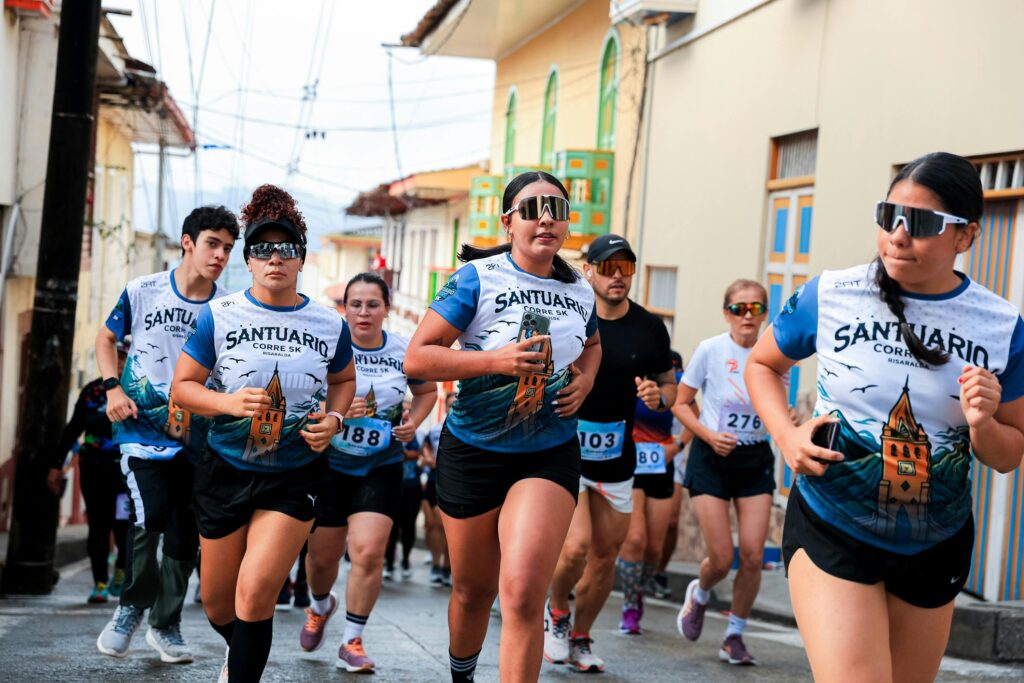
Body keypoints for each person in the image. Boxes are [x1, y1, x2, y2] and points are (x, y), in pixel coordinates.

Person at [746, 151, 1024, 683]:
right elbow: (762, 365)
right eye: (888, 215)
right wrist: (787, 435)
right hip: (832, 522)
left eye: (919, 222)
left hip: (936, 540)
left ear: (965, 236)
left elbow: (1009, 455)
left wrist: (984, 423)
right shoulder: (832, 294)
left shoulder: (1001, 327)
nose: (897, 235)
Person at [404, 171, 601, 683]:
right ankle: (462, 674)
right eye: (533, 209)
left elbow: (592, 345)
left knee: (522, 593)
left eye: (558, 210)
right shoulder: (477, 278)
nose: (546, 219)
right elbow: (418, 358)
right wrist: (495, 361)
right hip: (473, 449)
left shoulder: (579, 288)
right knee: (474, 591)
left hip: (548, 451)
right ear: (508, 222)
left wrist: (585, 381)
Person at [172, 184, 356, 683]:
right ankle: (240, 653)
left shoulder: (328, 323)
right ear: (248, 260)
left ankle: (242, 671)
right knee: (219, 603)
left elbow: (343, 381)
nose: (276, 258)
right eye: (263, 249)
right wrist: (228, 403)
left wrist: (334, 420)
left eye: (287, 248)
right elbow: (183, 388)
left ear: (302, 259)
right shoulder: (219, 315)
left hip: (295, 473)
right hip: (224, 470)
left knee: (255, 594)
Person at [96, 205, 238, 663]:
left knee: (184, 535)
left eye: (228, 248)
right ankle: (131, 607)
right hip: (141, 429)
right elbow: (106, 338)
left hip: (200, 437)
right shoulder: (143, 291)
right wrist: (113, 387)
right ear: (187, 242)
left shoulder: (227, 309)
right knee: (150, 513)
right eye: (212, 244)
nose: (220, 255)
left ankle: (165, 624)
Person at [545, 233, 676, 673]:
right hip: (566, 450)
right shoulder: (569, 314)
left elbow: (669, 385)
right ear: (588, 271)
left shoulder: (649, 327)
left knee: (604, 558)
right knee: (576, 547)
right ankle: (556, 612)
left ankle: (581, 637)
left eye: (626, 267)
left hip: (618, 458)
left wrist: (660, 396)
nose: (618, 276)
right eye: (607, 267)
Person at [300, 272, 437, 673]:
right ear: (344, 309)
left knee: (368, 551)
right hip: (329, 465)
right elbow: (301, 399)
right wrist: (336, 410)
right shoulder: (326, 346)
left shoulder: (403, 349)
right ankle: (320, 605)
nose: (363, 312)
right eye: (355, 304)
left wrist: (414, 423)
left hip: (381, 464)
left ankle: (352, 640)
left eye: (372, 304)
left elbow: (427, 391)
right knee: (321, 559)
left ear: (386, 309)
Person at [673, 279, 780, 665]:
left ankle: (734, 635)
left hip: (754, 458)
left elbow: (775, 407)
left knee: (751, 555)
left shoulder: (777, 355)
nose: (747, 315)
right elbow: (680, 403)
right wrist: (708, 435)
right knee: (721, 559)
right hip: (711, 456)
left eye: (755, 308)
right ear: (726, 313)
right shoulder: (710, 349)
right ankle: (700, 593)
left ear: (764, 313)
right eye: (739, 308)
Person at [49, 340, 132, 604]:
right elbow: (73, 428)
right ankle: (99, 583)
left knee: (123, 525)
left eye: (123, 358)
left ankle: (121, 568)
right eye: (115, 357)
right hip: (93, 470)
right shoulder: (92, 392)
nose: (119, 363)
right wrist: (57, 465)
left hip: (126, 473)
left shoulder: (138, 390)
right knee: (98, 526)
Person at [616, 350, 685, 633]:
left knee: (654, 548)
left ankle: (640, 589)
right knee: (635, 539)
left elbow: (694, 416)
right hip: (629, 464)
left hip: (660, 466)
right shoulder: (627, 376)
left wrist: (677, 447)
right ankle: (629, 603)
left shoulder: (672, 380)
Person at [385, 414, 425, 581]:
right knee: (391, 527)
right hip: (391, 484)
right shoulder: (387, 427)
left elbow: (418, 454)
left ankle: (406, 560)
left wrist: (400, 454)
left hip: (412, 486)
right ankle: (389, 563)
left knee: (409, 526)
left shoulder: (417, 432)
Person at [420, 392, 455, 586]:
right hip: (434, 480)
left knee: (448, 528)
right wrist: (427, 458)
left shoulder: (469, 429)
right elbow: (424, 447)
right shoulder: (435, 429)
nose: (453, 407)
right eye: (450, 404)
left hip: (455, 482)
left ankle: (447, 567)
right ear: (445, 406)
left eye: (456, 404)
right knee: (433, 525)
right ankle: (436, 565)